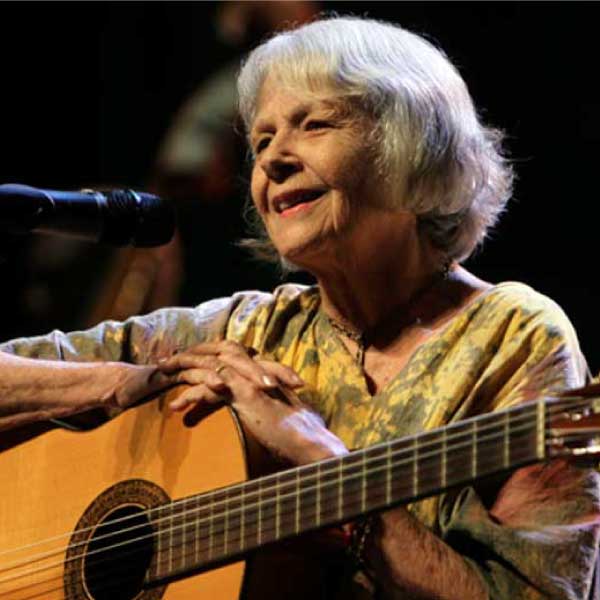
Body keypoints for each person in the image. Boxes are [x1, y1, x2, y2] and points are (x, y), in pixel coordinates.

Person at [0, 16, 598, 600]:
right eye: (261, 141)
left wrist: (319, 457)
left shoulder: (511, 335)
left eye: (314, 125)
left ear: (411, 146)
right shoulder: (237, 330)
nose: (272, 160)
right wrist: (115, 383)